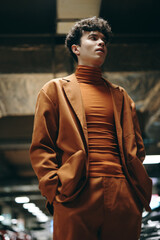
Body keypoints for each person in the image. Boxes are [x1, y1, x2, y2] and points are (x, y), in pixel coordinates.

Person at [30, 17, 152, 240]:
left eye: (104, 40)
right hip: (75, 191)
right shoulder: (54, 90)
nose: (101, 43)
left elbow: (137, 148)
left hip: (123, 193)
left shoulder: (121, 96)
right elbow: (42, 146)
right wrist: (54, 189)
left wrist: (133, 193)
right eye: (93, 38)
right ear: (75, 48)